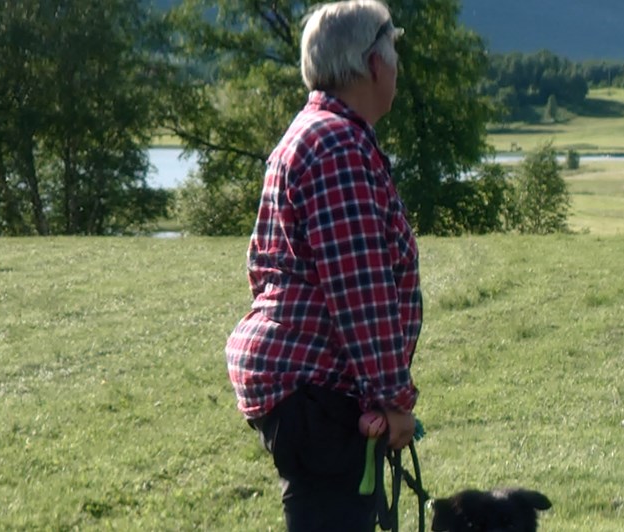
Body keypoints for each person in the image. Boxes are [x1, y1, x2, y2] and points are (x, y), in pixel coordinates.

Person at [224, 2, 416, 530]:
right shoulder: (336, 146)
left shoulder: (315, 133)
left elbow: (263, 271)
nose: (398, 67)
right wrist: (393, 400)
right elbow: (362, 294)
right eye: (394, 53)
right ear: (373, 64)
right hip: (315, 392)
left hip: (308, 386)